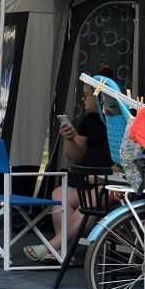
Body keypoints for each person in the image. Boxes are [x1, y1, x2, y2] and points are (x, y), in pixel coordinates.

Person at [25, 76, 115, 262]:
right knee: (59, 194)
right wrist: (69, 139)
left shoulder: (121, 122)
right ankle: (66, 252)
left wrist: (103, 175)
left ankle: (53, 246)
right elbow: (75, 157)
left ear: (100, 97)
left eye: (86, 95)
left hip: (110, 184)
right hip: (85, 182)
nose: (83, 99)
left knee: (89, 203)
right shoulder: (88, 120)